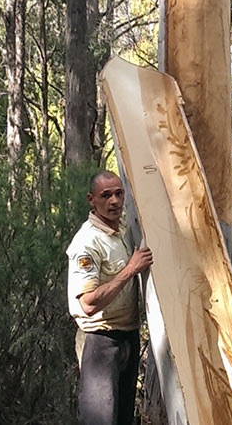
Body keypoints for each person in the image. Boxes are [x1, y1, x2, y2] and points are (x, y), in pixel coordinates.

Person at [66, 170, 153, 425]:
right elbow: (88, 303)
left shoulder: (123, 230)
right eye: (106, 195)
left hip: (128, 336)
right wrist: (131, 270)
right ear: (91, 200)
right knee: (100, 420)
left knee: (124, 417)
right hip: (100, 343)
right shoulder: (87, 242)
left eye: (118, 193)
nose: (114, 201)